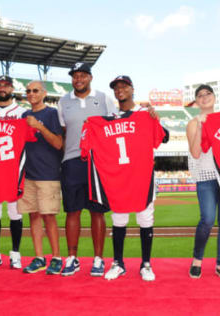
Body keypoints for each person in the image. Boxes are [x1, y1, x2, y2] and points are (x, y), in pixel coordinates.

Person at [95, 76, 168, 281]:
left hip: (142, 175)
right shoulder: (109, 116)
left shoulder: (145, 114)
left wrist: (156, 119)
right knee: (119, 219)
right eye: (116, 88)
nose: (120, 90)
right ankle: (118, 263)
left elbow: (162, 137)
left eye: (124, 86)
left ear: (132, 89)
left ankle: (146, 264)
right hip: (118, 176)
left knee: (145, 218)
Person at [57, 62, 117, 276]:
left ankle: (98, 259)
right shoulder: (63, 101)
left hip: (97, 162)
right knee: (72, 211)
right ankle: (72, 258)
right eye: (75, 76)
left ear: (90, 77)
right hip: (72, 161)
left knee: (97, 212)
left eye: (82, 75)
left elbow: (114, 128)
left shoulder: (104, 98)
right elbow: (63, 132)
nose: (78, 79)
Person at [187, 84, 220, 278]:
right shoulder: (192, 122)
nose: (204, 97)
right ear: (197, 101)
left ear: (215, 97)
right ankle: (197, 260)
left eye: (208, 93)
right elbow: (196, 152)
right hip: (205, 176)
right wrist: (200, 127)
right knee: (207, 219)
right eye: (200, 95)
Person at [18, 81, 64, 274]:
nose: (31, 93)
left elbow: (58, 143)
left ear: (44, 93)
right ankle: (39, 258)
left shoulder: (51, 114)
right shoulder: (23, 115)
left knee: (49, 217)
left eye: (35, 90)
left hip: (48, 174)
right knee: (34, 216)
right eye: (28, 91)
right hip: (28, 173)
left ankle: (56, 257)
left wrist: (39, 127)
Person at [0, 75, 27, 270]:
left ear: (12, 89)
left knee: (15, 213)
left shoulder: (22, 112)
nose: (2, 88)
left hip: (13, 169)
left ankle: (15, 254)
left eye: (6, 86)